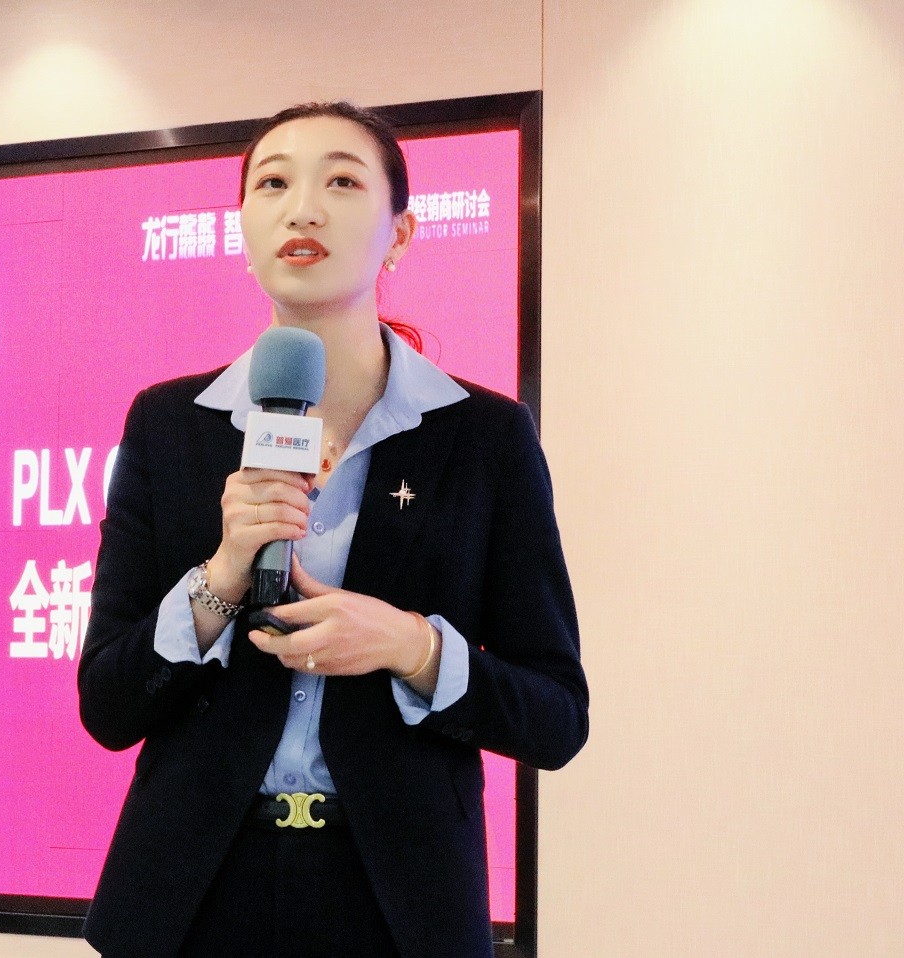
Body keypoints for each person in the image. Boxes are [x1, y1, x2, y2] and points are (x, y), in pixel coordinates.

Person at [78, 101, 588, 958]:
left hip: (397, 904)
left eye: (343, 183)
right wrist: (221, 575)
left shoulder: (484, 437)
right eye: (273, 183)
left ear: (400, 234)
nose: (303, 208)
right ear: (244, 231)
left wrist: (412, 647)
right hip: (193, 898)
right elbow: (107, 704)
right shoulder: (169, 424)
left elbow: (556, 716)